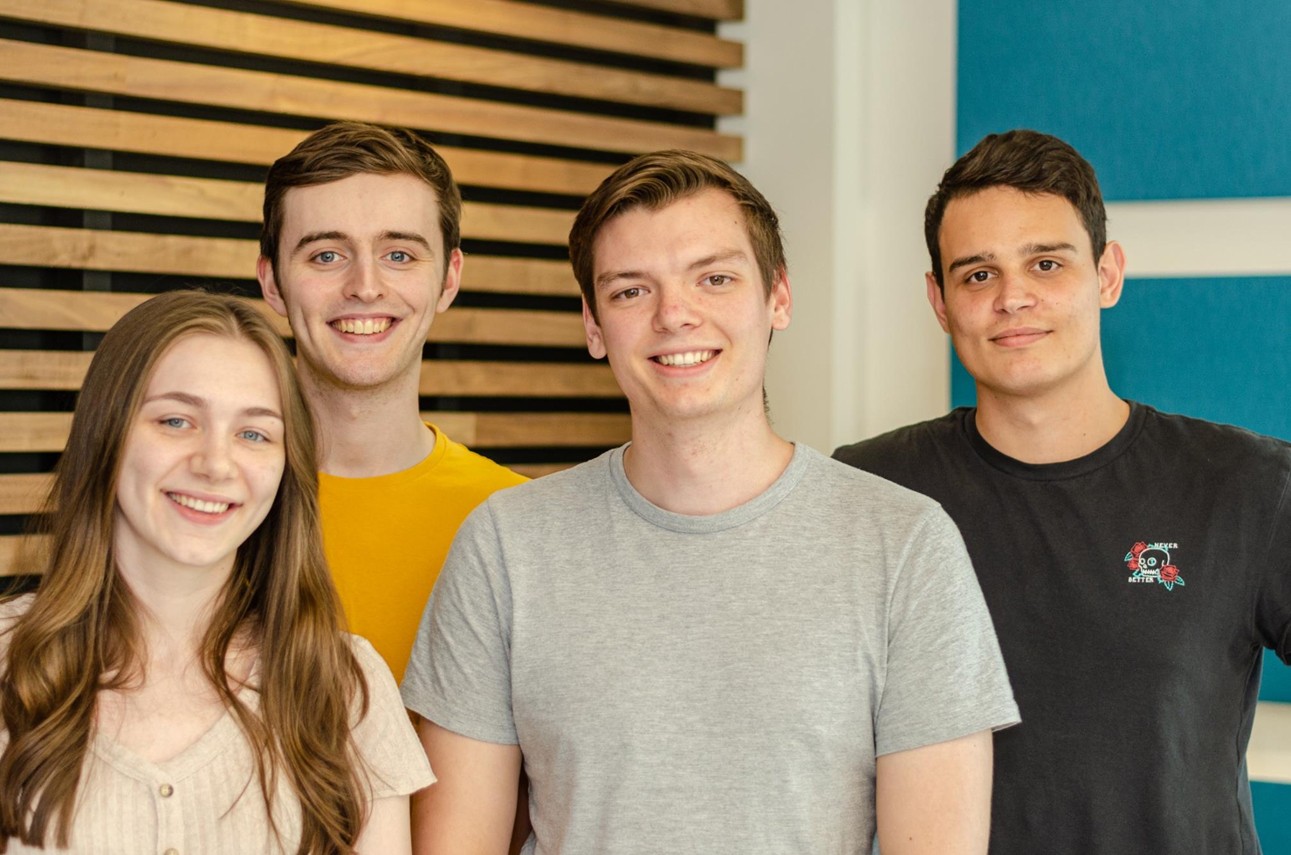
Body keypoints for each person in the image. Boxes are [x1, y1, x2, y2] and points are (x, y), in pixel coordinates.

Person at [402, 150, 1019, 854]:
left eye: (714, 278)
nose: (674, 315)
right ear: (593, 325)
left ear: (778, 296)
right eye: (631, 291)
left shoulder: (904, 545)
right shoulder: (505, 548)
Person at [834, 129, 1291, 854]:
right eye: (977, 274)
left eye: (1045, 263)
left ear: (1107, 275)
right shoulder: (870, 491)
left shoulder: (1247, 484)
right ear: (939, 301)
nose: (1012, 297)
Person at [0, 290, 432, 853]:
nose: (215, 464)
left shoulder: (345, 687)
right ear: (107, 433)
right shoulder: (7, 660)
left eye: (253, 433)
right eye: (176, 421)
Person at [257, 122, 525, 681]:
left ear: (449, 279)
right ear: (273, 282)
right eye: (326, 256)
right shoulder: (213, 502)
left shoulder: (518, 522)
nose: (366, 285)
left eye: (399, 255)